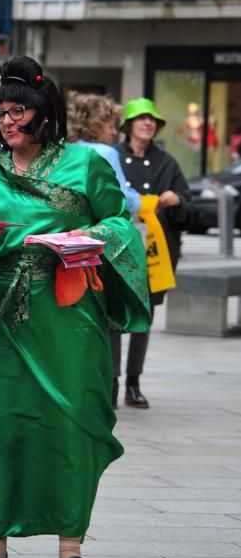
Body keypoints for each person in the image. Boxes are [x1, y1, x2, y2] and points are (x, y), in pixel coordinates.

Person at [0, 57, 150, 558]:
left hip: (70, 316)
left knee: (70, 425)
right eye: (1, 113)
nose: (6, 122)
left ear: (45, 116)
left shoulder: (86, 164)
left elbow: (120, 225)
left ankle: (71, 549)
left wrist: (83, 241)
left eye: (17, 112)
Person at [112, 97, 191, 409]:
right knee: (115, 315)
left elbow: (188, 206)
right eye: (141, 119)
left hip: (156, 252)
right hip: (118, 248)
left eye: (152, 120)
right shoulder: (112, 156)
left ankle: (134, 381)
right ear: (128, 125)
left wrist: (178, 200)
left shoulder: (167, 162)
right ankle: (111, 380)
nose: (147, 124)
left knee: (144, 317)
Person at [66, 91, 141, 214]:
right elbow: (120, 199)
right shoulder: (106, 153)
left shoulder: (65, 149)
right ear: (96, 125)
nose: (114, 132)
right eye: (111, 127)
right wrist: (140, 201)